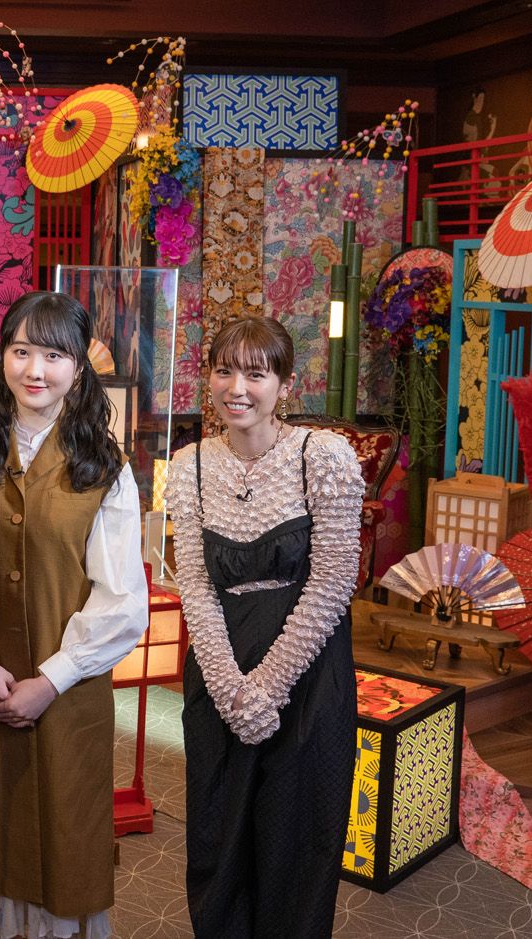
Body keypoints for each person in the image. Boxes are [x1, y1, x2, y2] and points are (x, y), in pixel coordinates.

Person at [0, 291, 147, 939]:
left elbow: (122, 601)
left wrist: (50, 680)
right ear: (1, 356)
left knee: (63, 842)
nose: (35, 370)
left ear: (79, 368)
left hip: (69, 697)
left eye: (54, 355)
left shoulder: (104, 466)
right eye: (21, 350)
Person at [164, 315, 363, 939]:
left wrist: (267, 688)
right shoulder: (190, 465)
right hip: (219, 669)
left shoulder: (322, 456)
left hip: (307, 673)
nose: (237, 388)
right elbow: (194, 582)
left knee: (296, 836)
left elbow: (335, 579)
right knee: (218, 832)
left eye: (256, 373)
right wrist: (229, 687)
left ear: (285, 384)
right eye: (224, 371)